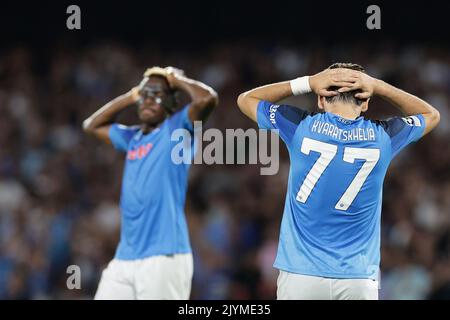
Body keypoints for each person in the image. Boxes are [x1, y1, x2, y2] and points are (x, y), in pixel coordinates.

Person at [237, 63, 440, 300]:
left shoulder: (299, 126)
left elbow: (246, 99)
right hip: (357, 278)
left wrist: (309, 82)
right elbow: (431, 115)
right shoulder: (383, 136)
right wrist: (379, 86)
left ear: (321, 99)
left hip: (302, 276)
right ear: (365, 102)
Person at [83, 66, 218, 299]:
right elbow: (91, 125)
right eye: (145, 95)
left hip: (164, 255)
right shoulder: (132, 137)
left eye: (157, 95)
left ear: (172, 102)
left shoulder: (177, 130)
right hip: (125, 257)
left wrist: (177, 79)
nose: (148, 100)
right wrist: (131, 95)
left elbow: (207, 99)